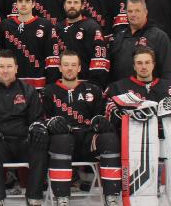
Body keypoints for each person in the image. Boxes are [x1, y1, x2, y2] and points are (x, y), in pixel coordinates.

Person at [104, 47, 171, 206]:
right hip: (132, 141)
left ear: (153, 65)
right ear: (134, 65)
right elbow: (108, 112)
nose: (143, 66)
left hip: (165, 139)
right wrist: (124, 114)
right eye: (139, 63)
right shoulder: (118, 87)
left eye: (147, 62)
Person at [40, 51, 121, 206]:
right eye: (66, 65)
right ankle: (61, 197)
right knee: (62, 139)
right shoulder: (48, 91)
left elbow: (103, 116)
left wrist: (101, 122)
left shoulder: (93, 90)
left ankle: (111, 196)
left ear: (79, 68)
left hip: (87, 141)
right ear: (60, 68)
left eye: (73, 65)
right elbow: (41, 120)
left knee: (110, 138)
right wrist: (51, 123)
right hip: (60, 143)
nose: (69, 69)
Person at [0, 50, 48, 206]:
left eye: (9, 66)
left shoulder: (29, 90)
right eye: (1, 66)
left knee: (40, 144)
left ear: (16, 68)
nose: (5, 70)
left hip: (23, 140)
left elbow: (37, 119)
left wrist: (37, 128)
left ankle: (34, 196)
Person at [0, 0, 61, 90]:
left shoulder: (46, 25)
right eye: (20, 1)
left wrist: (51, 85)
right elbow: (1, 54)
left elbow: (52, 57)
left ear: (33, 4)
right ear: (15, 5)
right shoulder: (5, 25)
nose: (23, 4)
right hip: (11, 82)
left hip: (38, 82)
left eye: (27, 1)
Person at [110, 0, 171, 82]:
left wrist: (162, 91)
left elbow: (167, 71)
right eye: (130, 11)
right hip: (122, 91)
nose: (133, 14)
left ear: (145, 12)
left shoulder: (159, 36)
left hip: (148, 91)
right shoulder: (119, 36)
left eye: (137, 11)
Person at [56, 0, 111, 87]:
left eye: (76, 2)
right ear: (64, 5)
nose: (72, 6)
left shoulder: (92, 28)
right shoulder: (57, 28)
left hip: (85, 85)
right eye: (69, 2)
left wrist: (94, 86)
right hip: (61, 85)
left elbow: (100, 61)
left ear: (82, 6)